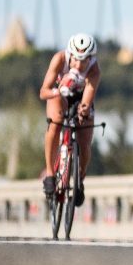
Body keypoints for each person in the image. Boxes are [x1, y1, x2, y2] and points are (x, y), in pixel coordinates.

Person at [39, 33, 100, 207]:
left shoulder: (95, 70)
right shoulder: (59, 59)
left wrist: (84, 109)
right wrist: (57, 91)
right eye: (76, 60)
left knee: (85, 139)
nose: (80, 65)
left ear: (91, 58)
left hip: (80, 97)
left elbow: (87, 99)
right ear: (70, 55)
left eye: (84, 60)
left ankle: (79, 178)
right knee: (55, 123)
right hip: (59, 93)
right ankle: (50, 174)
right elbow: (43, 91)